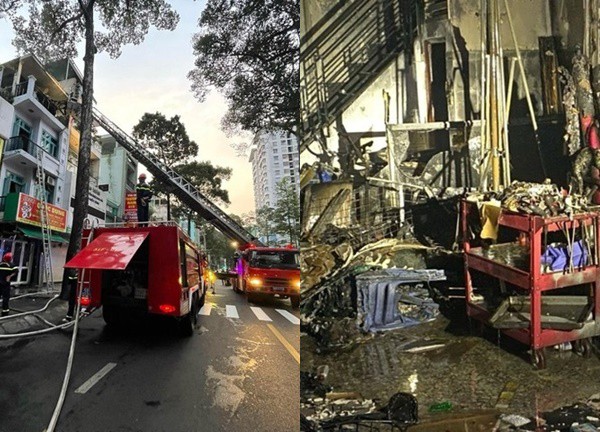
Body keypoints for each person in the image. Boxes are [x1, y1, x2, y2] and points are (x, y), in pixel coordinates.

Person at [0, 252, 18, 317]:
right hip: (5, 284)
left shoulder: (0, 264)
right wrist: (10, 276)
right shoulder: (11, 265)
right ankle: (5, 312)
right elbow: (16, 271)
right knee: (5, 298)